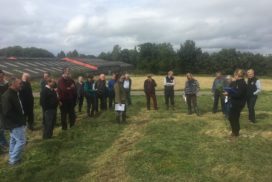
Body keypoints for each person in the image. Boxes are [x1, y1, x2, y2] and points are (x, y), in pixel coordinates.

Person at [2, 77, 25, 165]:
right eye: (19, 83)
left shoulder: (15, 93)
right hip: (14, 123)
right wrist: (19, 120)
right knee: (21, 141)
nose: (21, 85)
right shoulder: (7, 96)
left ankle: (13, 157)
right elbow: (7, 112)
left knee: (14, 140)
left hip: (16, 122)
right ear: (13, 84)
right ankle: (13, 160)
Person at [223, 69, 247, 137]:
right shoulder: (237, 82)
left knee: (233, 118)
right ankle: (235, 130)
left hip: (238, 103)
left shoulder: (242, 83)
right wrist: (228, 91)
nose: (234, 76)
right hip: (235, 102)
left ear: (237, 75)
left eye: (235, 75)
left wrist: (228, 94)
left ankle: (235, 132)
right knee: (232, 117)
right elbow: (232, 88)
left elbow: (238, 95)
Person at [0, 70, 9, 153]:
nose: (1, 78)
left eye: (2, 76)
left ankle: (5, 142)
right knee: (1, 126)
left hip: (6, 107)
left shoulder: (6, 83)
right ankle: (3, 143)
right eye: (0, 77)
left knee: (5, 125)